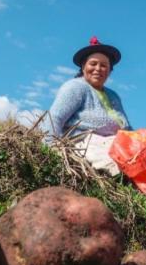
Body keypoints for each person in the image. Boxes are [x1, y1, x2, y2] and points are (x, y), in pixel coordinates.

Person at [42, 37, 132, 175]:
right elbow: (55, 118)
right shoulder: (75, 87)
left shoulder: (113, 96)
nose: (98, 69)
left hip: (116, 143)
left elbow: (127, 128)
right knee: (119, 165)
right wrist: (51, 150)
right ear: (83, 67)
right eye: (93, 64)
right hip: (86, 143)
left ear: (109, 70)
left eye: (103, 65)